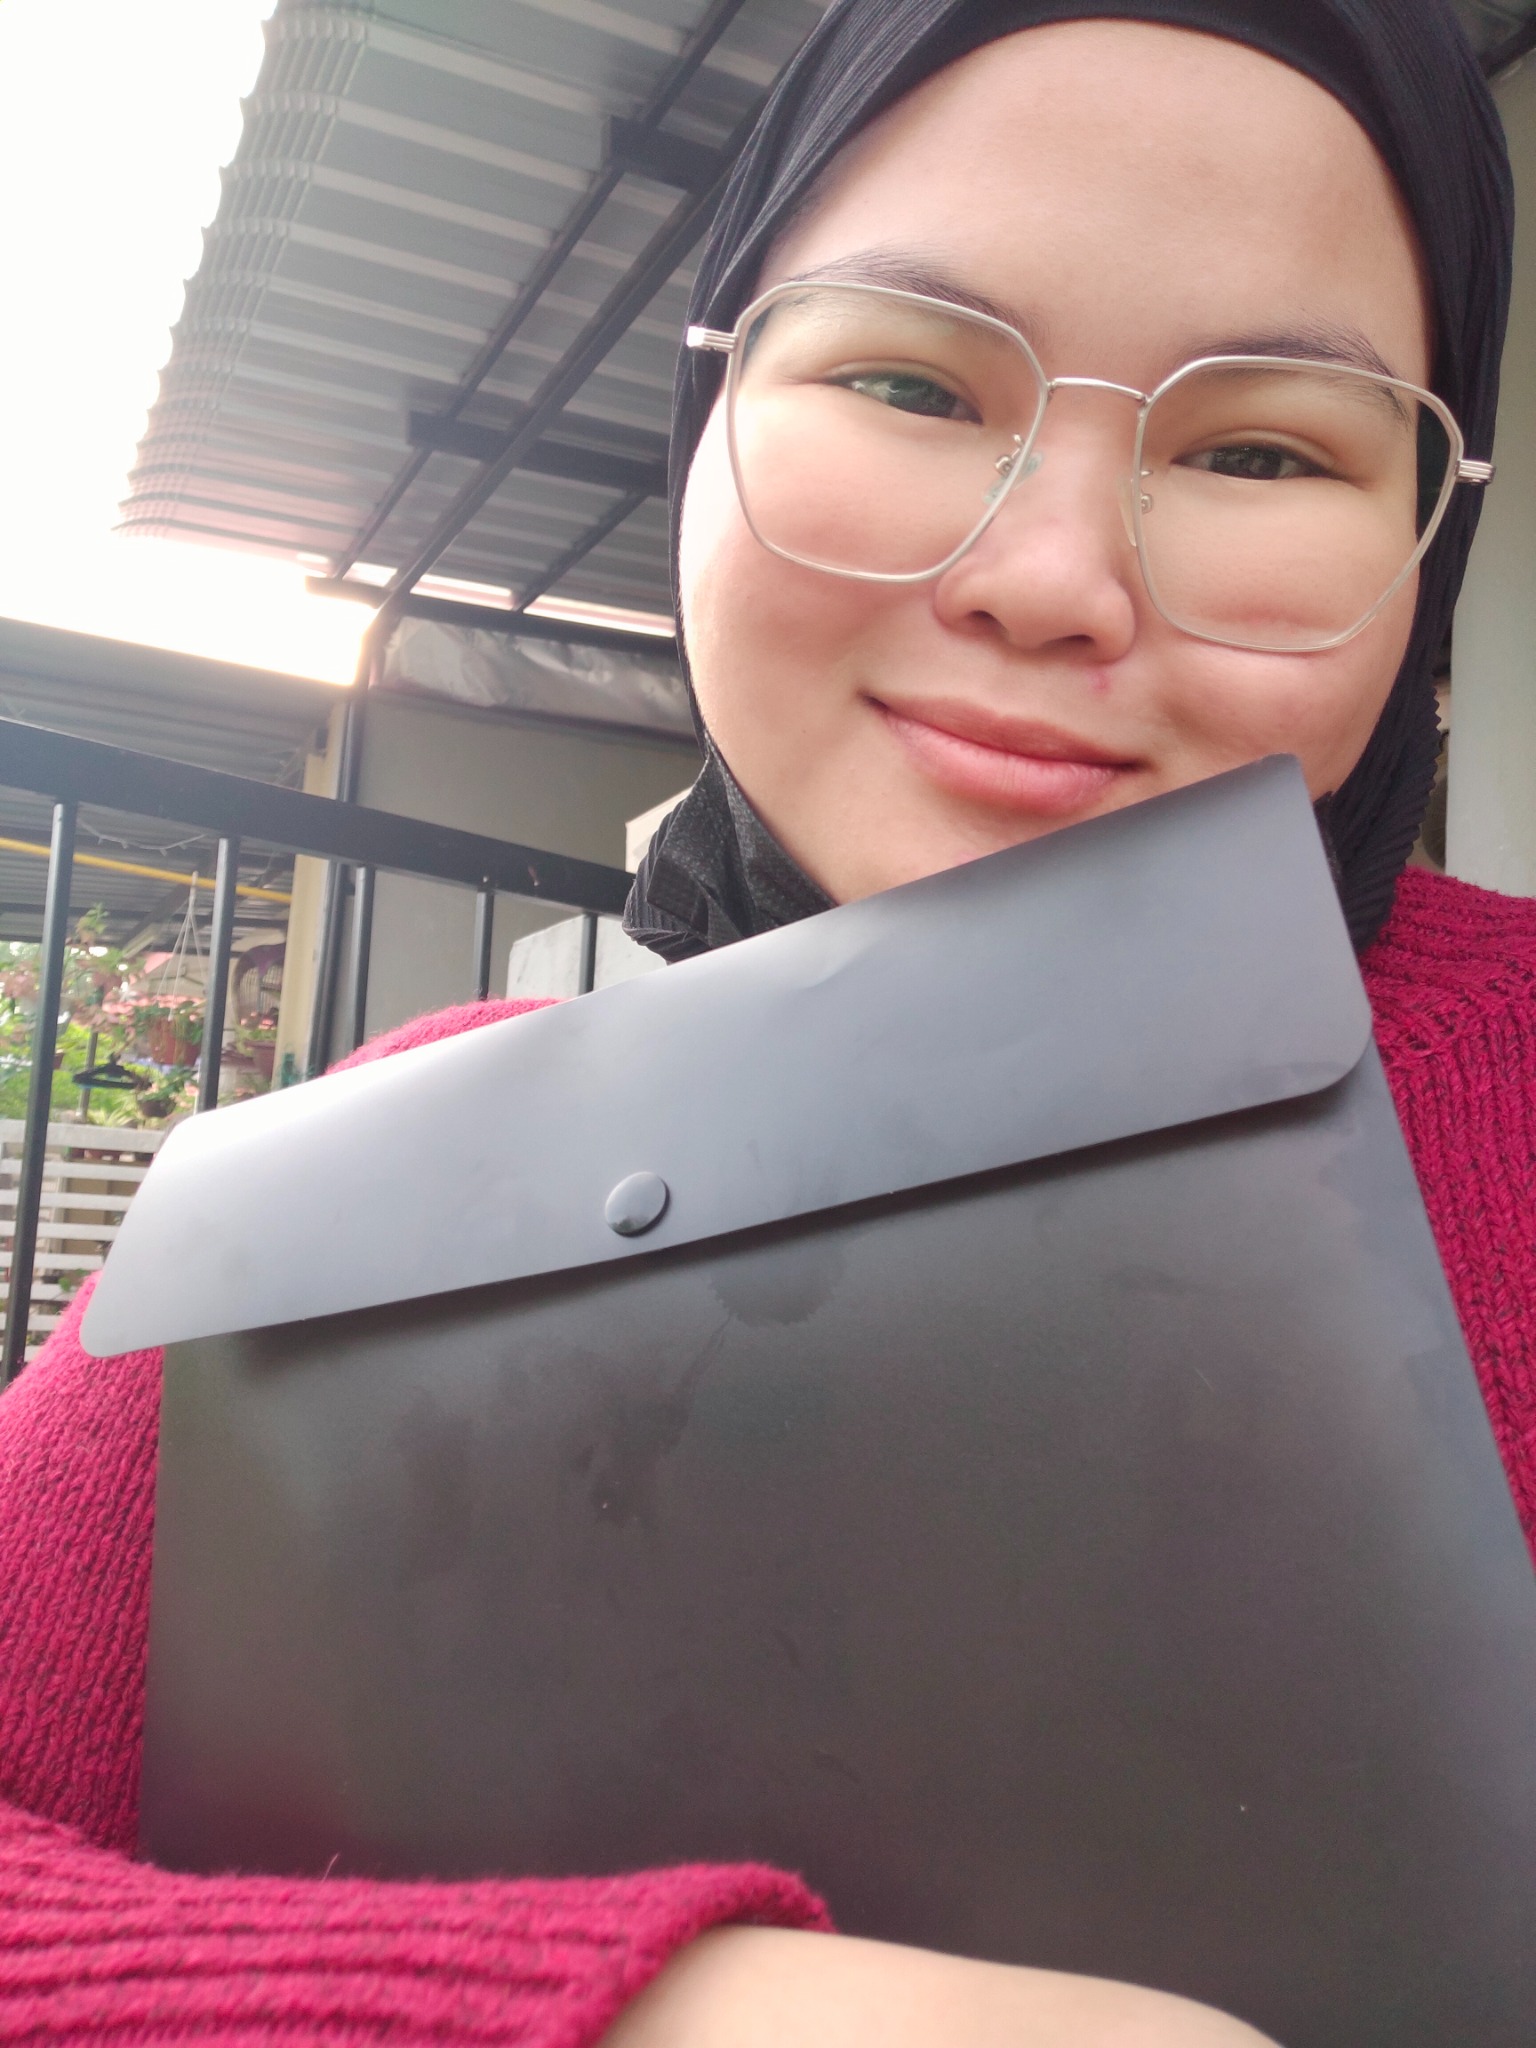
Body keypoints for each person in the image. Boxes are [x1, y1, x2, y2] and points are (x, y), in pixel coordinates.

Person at [0, 1, 1529, 2042]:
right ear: (706, 410)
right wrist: (641, 2012)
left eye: (1260, 450)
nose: (1052, 578)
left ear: (1429, 544)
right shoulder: (322, 1223)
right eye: (909, 380)